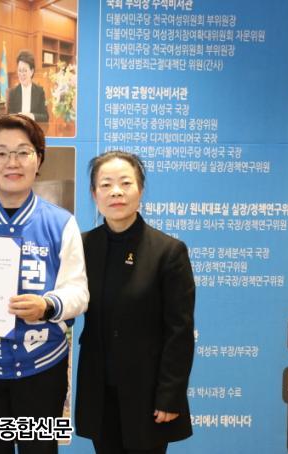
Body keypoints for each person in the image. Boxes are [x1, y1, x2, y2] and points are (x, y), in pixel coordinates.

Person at [0, 113, 89, 453]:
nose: (12, 162)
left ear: (38, 159)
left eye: (23, 152)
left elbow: (78, 291)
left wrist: (48, 305)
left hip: (42, 368)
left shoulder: (61, 223)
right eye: (0, 153)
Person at [75, 151, 195, 454]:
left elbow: (179, 332)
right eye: (106, 184)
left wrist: (170, 396)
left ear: (140, 190)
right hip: (99, 390)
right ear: (94, 194)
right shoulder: (82, 246)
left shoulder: (168, 251)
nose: (116, 192)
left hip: (148, 392)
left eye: (125, 183)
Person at [7, 50, 49, 122]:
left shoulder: (39, 91)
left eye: (25, 71)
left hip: (34, 127)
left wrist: (32, 116)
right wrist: (17, 117)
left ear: (32, 71)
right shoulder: (13, 92)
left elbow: (45, 117)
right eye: (19, 70)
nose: (22, 74)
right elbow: (9, 116)